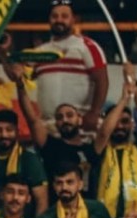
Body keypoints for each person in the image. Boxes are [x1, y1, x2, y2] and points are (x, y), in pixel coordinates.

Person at [10, 65, 99, 194]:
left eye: (70, 115)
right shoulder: (51, 146)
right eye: (59, 117)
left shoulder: (91, 148)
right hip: (56, 205)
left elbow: (106, 130)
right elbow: (32, 119)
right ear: (56, 124)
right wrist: (20, 85)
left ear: (80, 119)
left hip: (87, 206)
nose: (65, 120)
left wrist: (126, 96)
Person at [26, 0, 108, 133]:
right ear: (49, 20)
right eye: (54, 16)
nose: (59, 20)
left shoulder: (88, 47)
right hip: (49, 127)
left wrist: (94, 113)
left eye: (64, 16)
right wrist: (2, 53)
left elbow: (102, 81)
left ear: (74, 19)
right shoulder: (40, 52)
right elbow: (18, 75)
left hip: (81, 126)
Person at [92, 63, 137, 218]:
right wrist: (124, 99)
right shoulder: (99, 149)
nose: (120, 126)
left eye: (125, 121)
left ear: (132, 125)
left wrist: (133, 83)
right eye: (116, 122)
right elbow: (104, 132)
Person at [0, 108, 48, 217]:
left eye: (9, 130)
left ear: (17, 131)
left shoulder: (29, 159)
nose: (4, 135)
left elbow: (42, 201)